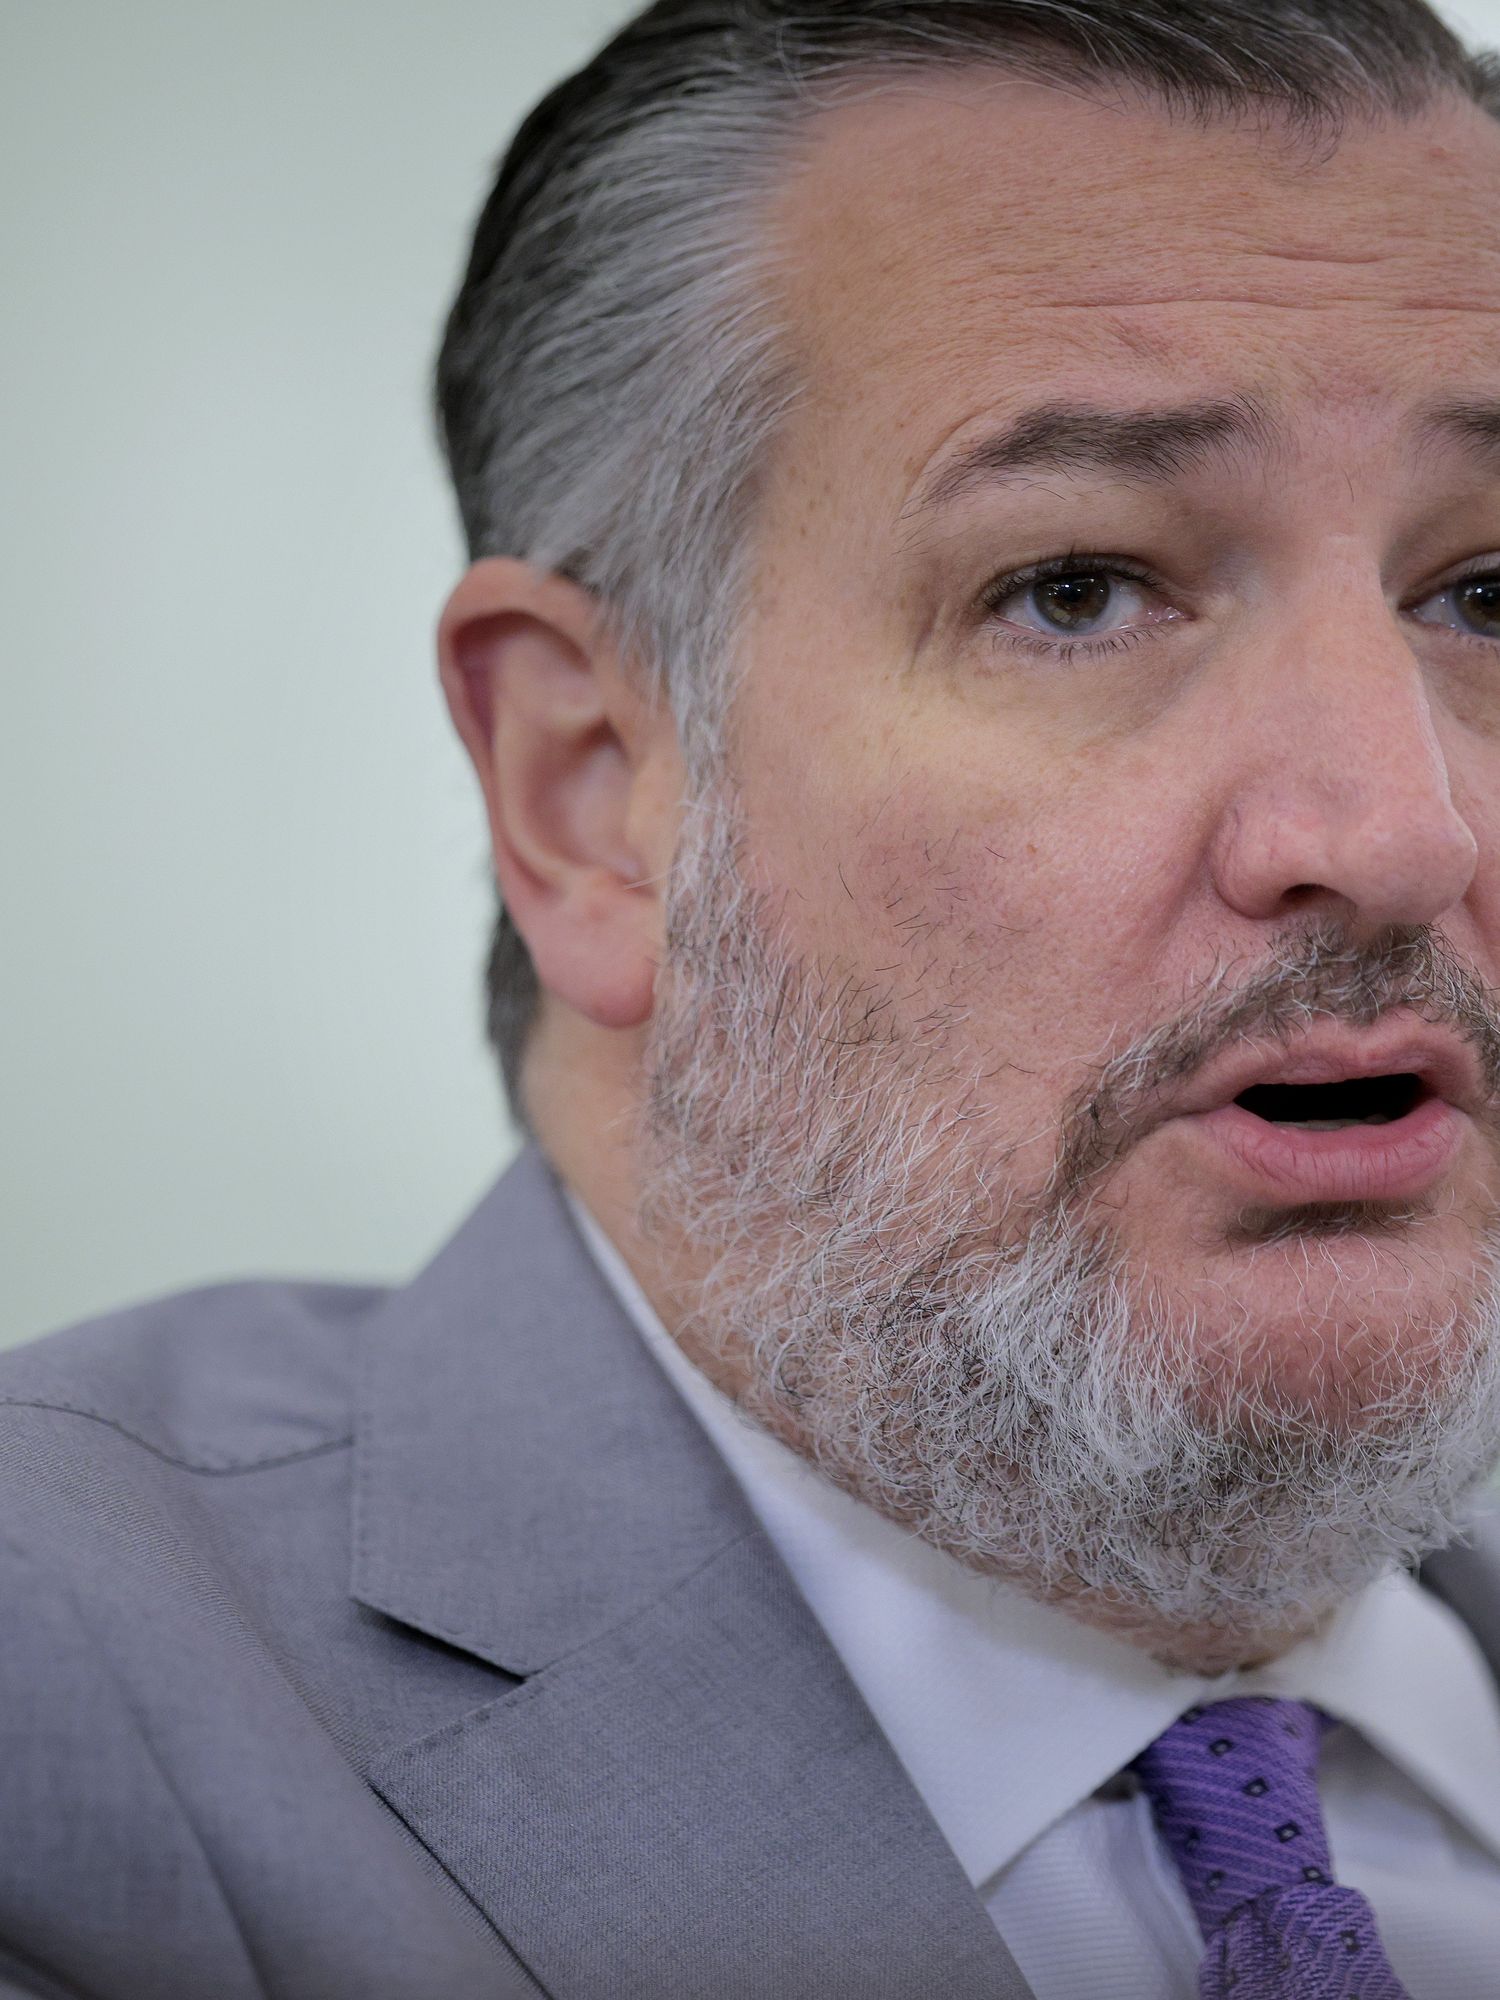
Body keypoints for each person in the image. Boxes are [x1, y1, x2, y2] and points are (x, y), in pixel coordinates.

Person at [7, 1, 1500, 1995]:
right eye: (1077, 584)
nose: (1403, 829)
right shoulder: (66, 1702)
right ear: (596, 791)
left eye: (1490, 592)